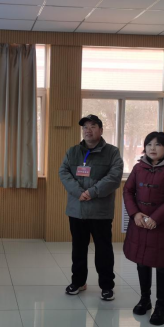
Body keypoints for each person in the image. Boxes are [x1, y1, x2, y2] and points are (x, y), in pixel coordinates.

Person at [59, 115, 124, 301]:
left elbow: (114, 177)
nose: (88, 130)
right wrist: (78, 191)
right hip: (77, 209)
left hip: (100, 211)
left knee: (103, 250)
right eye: (85, 127)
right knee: (78, 249)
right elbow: (64, 172)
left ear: (101, 130)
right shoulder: (73, 152)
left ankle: (107, 286)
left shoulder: (112, 152)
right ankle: (78, 282)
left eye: (93, 126)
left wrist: (92, 192)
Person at [123, 132, 164, 326]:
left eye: (157, 145)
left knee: (162, 264)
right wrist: (135, 214)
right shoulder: (138, 167)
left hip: (161, 224)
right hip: (140, 223)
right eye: (149, 144)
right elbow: (128, 191)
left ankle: (161, 306)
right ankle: (145, 299)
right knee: (142, 261)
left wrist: (155, 218)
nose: (152, 148)